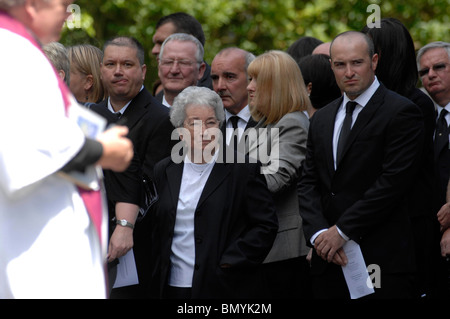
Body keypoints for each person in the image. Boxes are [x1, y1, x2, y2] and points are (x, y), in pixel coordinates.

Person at [0, 0, 133, 298]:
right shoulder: (12, 53)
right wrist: (102, 150)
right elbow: (21, 150)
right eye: (64, 5)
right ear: (33, 5)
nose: (68, 14)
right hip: (35, 253)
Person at [297, 31, 424, 299]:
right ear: (331, 65)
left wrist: (342, 231)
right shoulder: (322, 118)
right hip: (328, 260)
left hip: (381, 259)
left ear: (374, 61)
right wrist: (319, 234)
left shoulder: (401, 111)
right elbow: (308, 182)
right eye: (340, 64)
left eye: (357, 62)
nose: (349, 72)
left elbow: (392, 183)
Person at [150, 86, 278, 299]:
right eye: (194, 123)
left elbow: (265, 225)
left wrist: (230, 261)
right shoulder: (165, 169)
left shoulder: (242, 169)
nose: (204, 131)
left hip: (223, 286)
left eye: (211, 122)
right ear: (180, 129)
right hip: (171, 285)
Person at [91, 36, 174, 298]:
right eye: (110, 64)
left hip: (136, 243)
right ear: (101, 70)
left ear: (143, 70)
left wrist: (123, 224)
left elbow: (154, 185)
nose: (118, 71)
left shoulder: (161, 119)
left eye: (127, 64)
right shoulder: (90, 116)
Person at [361, 18, 437, 299]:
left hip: (405, 228)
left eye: (369, 51)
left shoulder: (415, 105)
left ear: (384, 54)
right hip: (371, 226)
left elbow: (394, 173)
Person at [246, 50, 312, 298]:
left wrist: (227, 179)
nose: (250, 87)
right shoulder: (266, 123)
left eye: (256, 80)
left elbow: (275, 179)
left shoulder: (293, 123)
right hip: (266, 250)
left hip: (283, 253)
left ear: (277, 85)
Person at [417, 41, 450, 298]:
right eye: (423, 71)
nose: (430, 75)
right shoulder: (418, 116)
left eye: (439, 67)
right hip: (427, 238)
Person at [151, 12, 212, 90]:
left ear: (189, 41)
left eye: (162, 43)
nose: (154, 50)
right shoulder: (159, 93)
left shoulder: (217, 94)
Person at [210, 47, 257, 147]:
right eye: (215, 78)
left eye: (230, 77)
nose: (220, 86)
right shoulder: (206, 122)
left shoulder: (272, 120)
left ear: (251, 78)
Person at [157, 33, 206, 108]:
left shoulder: (216, 113)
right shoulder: (139, 113)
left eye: (184, 63)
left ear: (200, 70)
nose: (174, 70)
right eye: (168, 62)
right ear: (159, 67)